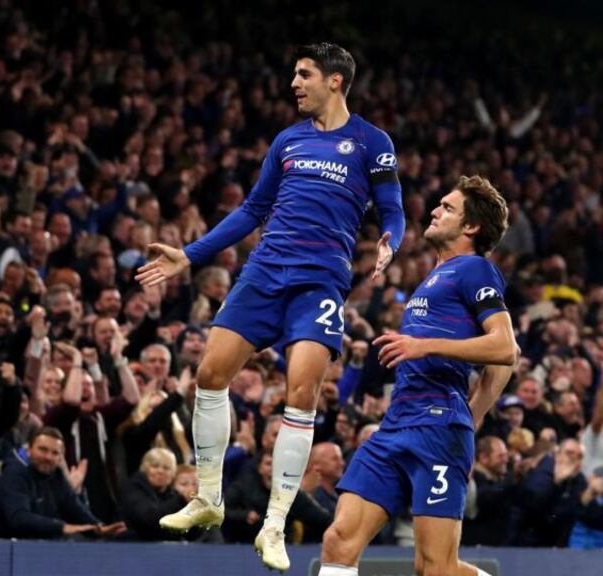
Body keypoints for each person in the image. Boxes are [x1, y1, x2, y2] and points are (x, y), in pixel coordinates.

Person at [139, 42, 406, 570]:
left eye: (304, 75)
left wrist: (389, 241)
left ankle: (275, 524)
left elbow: (392, 209)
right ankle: (208, 498)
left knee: (301, 392)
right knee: (209, 373)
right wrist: (190, 256)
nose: (294, 84)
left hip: (320, 282)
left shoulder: (372, 142)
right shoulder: (287, 140)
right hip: (264, 272)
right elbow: (253, 209)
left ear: (335, 80)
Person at [316, 176, 517, 576]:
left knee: (435, 569)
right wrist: (474, 413)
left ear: (470, 226)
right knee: (338, 540)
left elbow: (505, 349)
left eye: (447, 207)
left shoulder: (475, 269)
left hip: (438, 429)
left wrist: (426, 350)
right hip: (395, 425)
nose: (435, 211)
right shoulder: (435, 276)